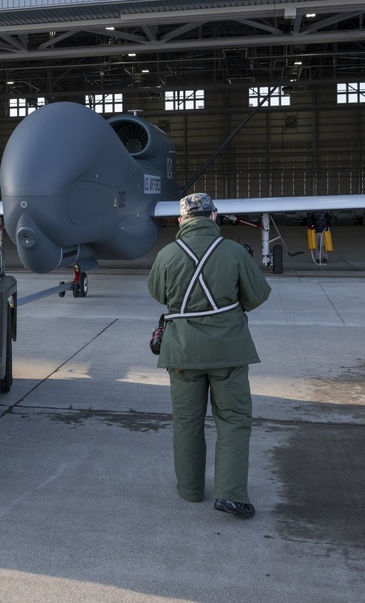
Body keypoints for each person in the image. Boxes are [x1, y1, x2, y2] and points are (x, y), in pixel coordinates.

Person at [148, 193, 271, 519]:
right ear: (214, 216)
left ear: (180, 221)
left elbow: (158, 294)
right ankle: (231, 494)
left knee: (186, 422)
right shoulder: (233, 252)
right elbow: (258, 295)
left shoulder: (167, 255)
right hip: (229, 353)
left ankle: (189, 491)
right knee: (233, 420)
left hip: (182, 353)